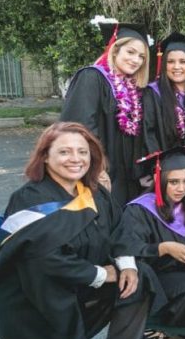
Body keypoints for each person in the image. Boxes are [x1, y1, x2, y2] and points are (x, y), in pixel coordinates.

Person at [0, 122, 159, 339]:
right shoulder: (31, 201)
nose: (75, 159)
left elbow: (121, 230)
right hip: (30, 304)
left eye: (83, 152)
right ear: (45, 156)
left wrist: (126, 266)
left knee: (141, 274)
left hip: (73, 291)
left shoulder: (95, 194)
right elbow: (42, 258)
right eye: (64, 152)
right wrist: (102, 274)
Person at [120, 146, 185, 339]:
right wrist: (163, 248)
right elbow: (127, 249)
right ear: (159, 180)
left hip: (182, 273)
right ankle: (149, 322)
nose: (181, 188)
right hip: (152, 279)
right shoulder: (139, 210)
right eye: (173, 182)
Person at [61, 22, 150, 203]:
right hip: (98, 176)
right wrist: (96, 168)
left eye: (141, 56)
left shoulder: (131, 89)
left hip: (125, 180)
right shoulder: (91, 77)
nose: (136, 60)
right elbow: (78, 127)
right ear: (115, 50)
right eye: (130, 52)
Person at [142, 32, 185, 157]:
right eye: (170, 61)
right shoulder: (153, 93)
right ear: (164, 65)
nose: (177, 67)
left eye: (183, 62)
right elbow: (148, 133)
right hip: (166, 166)